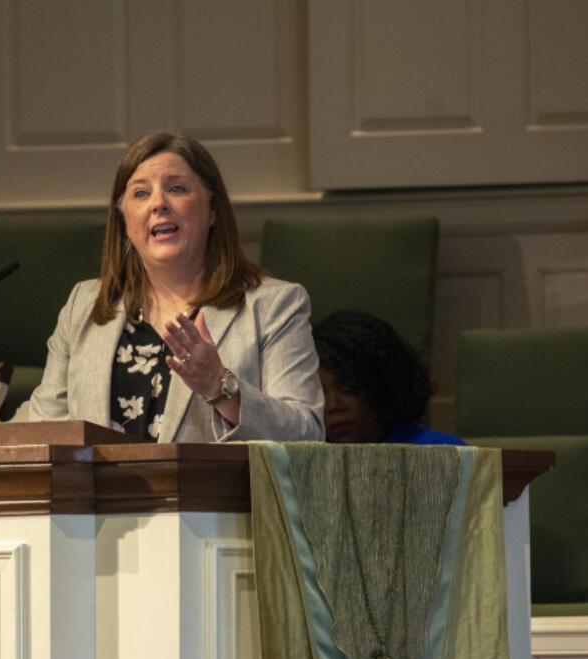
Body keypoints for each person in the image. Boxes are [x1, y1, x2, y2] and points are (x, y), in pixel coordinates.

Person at [23, 132, 324, 442]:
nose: (158, 204)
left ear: (212, 210)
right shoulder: (83, 305)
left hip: (212, 491)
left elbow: (307, 434)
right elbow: (45, 429)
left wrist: (220, 388)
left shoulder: (273, 305)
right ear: (125, 220)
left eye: (176, 189)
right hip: (95, 492)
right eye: (140, 194)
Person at [312, 310, 464, 445]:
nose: (332, 406)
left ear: (382, 383)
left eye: (347, 387)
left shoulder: (442, 453)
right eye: (318, 394)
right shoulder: (299, 463)